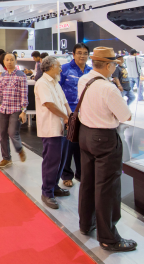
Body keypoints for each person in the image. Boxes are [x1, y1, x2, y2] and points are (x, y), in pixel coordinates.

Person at [78, 47, 137, 252]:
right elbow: (125, 115)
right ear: (108, 65)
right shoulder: (108, 88)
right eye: (114, 65)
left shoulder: (84, 80)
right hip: (104, 138)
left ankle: (86, 224)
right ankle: (109, 238)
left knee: (88, 182)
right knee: (107, 188)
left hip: (85, 135)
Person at [35, 56, 72, 209]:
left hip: (61, 128)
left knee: (61, 160)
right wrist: (65, 117)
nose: (61, 69)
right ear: (50, 67)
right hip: (50, 129)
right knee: (51, 162)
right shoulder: (42, 83)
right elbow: (49, 104)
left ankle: (54, 187)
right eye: (59, 66)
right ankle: (47, 192)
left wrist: (70, 116)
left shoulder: (55, 83)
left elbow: (64, 101)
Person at [58, 43, 92, 188]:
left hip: (87, 113)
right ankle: (66, 175)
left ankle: (81, 174)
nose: (82, 56)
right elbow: (57, 90)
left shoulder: (91, 71)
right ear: (73, 54)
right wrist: (63, 113)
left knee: (83, 145)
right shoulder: (64, 69)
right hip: (69, 112)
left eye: (85, 53)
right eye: (79, 53)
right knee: (69, 145)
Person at [0, 53, 28, 168]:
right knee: (2, 134)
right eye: (7, 60)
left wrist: (23, 111)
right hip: (3, 109)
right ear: (4, 62)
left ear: (15, 61)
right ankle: (6, 158)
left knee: (12, 132)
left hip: (16, 109)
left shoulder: (21, 75)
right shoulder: (2, 75)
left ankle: (19, 149)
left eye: (11, 60)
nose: (9, 62)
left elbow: (24, 95)